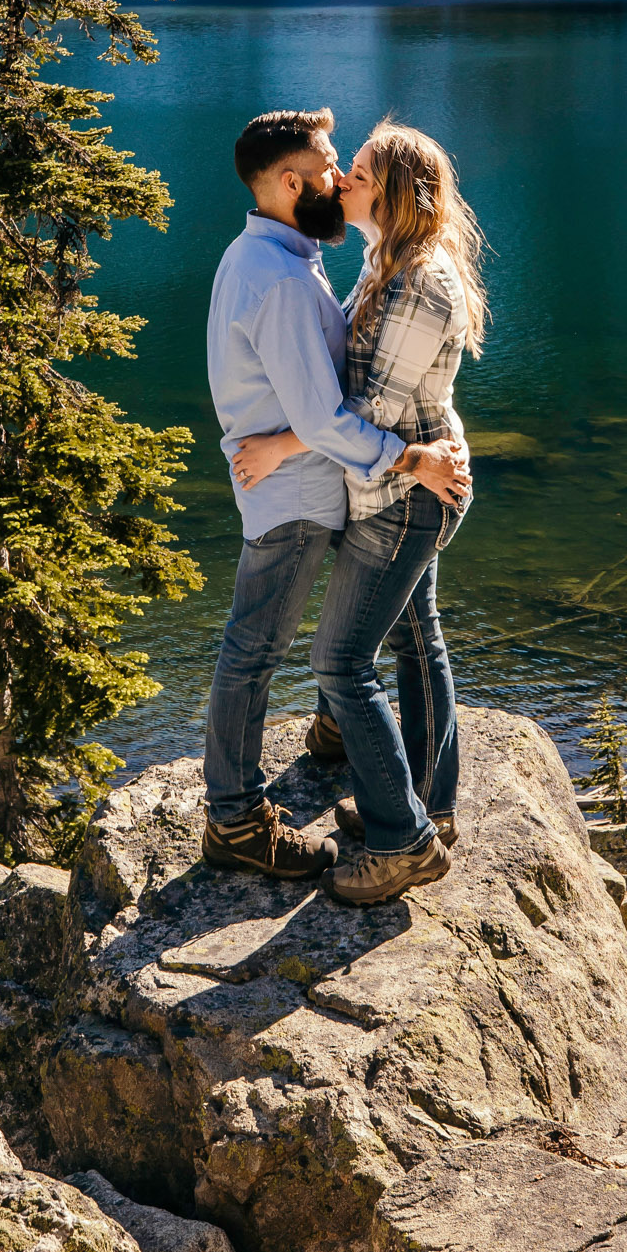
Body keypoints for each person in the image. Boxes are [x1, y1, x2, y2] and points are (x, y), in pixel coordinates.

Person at [203, 109, 471, 879]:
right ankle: (236, 818)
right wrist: (411, 457)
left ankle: (404, 798)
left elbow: (357, 386)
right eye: (329, 166)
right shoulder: (285, 277)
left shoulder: (284, 252)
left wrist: (420, 452)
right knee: (256, 652)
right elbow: (329, 412)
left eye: (350, 169)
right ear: (290, 183)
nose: (339, 177)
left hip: (338, 486)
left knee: (390, 637)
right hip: (297, 496)